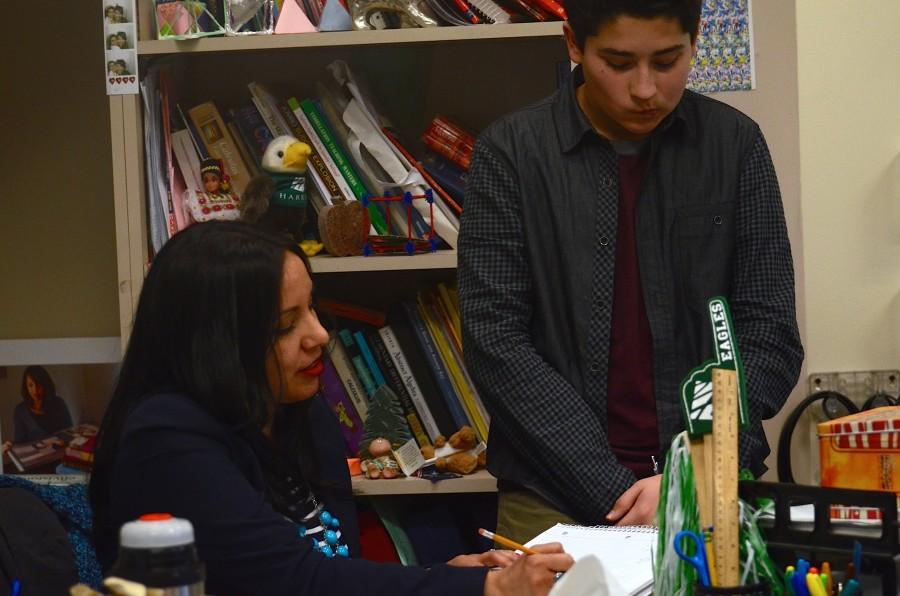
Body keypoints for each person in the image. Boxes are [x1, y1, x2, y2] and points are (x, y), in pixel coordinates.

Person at [458, 0, 803, 543]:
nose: (645, 89)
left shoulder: (735, 145)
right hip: (551, 490)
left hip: (707, 472)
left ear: (696, 39)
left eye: (667, 61)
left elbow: (768, 331)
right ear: (574, 42)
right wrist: (612, 488)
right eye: (618, 64)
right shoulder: (512, 153)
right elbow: (494, 339)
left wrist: (693, 462)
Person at [89, 221, 572, 596]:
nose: (319, 336)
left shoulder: (300, 411)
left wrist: (441, 576)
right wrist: (473, 588)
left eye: (313, 309)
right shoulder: (166, 438)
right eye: (285, 325)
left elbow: (332, 573)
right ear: (216, 344)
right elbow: (295, 582)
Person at [2, 366, 74, 454]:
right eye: (30, 385)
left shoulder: (58, 403)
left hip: (61, 454)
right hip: (37, 459)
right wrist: (10, 444)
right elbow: (20, 442)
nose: (35, 390)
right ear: (26, 387)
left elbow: (69, 431)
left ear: (46, 384)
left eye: (39, 384)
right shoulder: (20, 410)